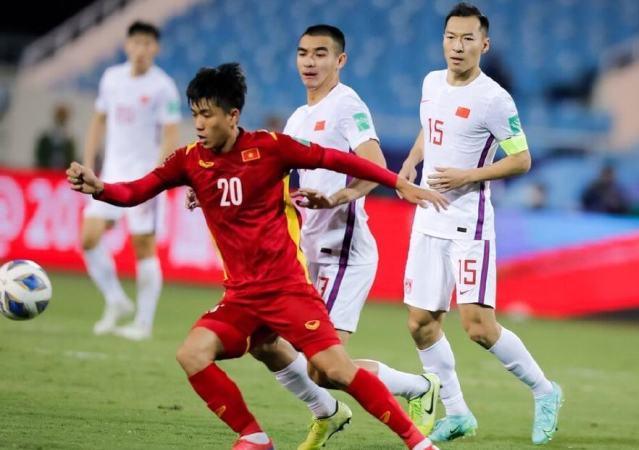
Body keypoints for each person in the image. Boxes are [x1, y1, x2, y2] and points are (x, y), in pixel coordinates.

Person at [67, 63, 447, 450]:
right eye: (195, 114)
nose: (198, 124)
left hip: (287, 291)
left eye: (207, 114)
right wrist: (100, 188)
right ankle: (254, 437)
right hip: (241, 298)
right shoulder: (189, 161)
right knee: (192, 354)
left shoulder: (270, 148)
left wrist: (398, 182)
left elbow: (336, 160)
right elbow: (136, 191)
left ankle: (419, 443)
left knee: (333, 369)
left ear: (232, 115)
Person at [398, 3, 563, 445]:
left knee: (478, 327)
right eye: (451, 37)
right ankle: (457, 413)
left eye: (467, 39)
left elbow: (521, 159)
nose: (457, 46)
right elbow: (430, 126)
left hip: (468, 225)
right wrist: (412, 160)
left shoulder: (494, 99)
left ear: (484, 45)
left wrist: (467, 175)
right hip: (427, 218)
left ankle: (545, 390)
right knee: (420, 322)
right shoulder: (431, 82)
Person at [80, 21, 181, 340]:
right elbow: (98, 120)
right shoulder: (111, 78)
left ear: (156, 48)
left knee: (143, 246)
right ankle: (116, 300)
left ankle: (143, 323)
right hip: (110, 174)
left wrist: (157, 176)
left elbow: (171, 133)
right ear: (127, 45)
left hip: (144, 178)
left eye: (147, 43)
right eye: (136, 42)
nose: (141, 49)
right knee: (88, 238)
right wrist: (88, 162)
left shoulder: (163, 87)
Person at [35, 103, 76, 170]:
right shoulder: (46, 138)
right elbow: (40, 157)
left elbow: (71, 159)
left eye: (63, 116)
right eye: (60, 116)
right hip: (47, 171)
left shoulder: (69, 140)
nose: (61, 118)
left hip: (63, 172)